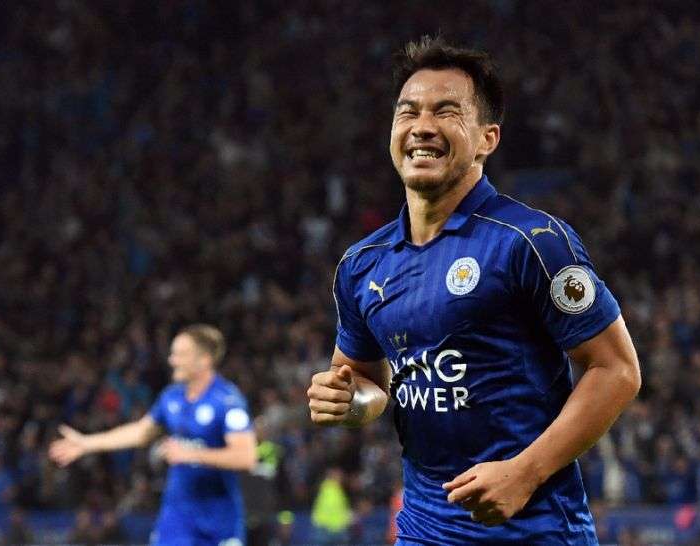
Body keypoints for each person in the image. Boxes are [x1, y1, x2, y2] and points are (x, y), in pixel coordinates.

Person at [307, 36, 641, 545]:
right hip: (423, 530)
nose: (422, 126)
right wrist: (346, 400)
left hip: (535, 532)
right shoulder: (362, 264)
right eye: (408, 112)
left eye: (446, 112)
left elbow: (616, 370)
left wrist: (525, 472)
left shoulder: (531, 240)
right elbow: (369, 384)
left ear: (488, 138)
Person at [50, 324, 257, 546]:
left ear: (204, 360)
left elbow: (246, 457)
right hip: (177, 518)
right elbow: (141, 432)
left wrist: (192, 454)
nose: (172, 360)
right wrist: (87, 443)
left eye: (181, 354)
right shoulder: (171, 397)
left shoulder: (227, 400)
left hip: (219, 521)